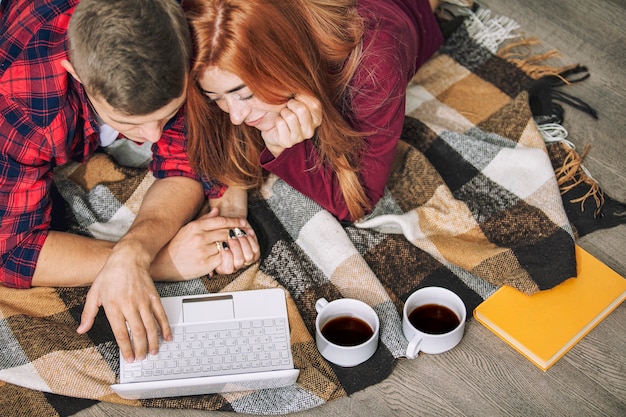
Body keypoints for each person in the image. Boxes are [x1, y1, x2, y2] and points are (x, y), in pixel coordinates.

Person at [0, 0, 260, 363]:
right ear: (76, 75)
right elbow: (12, 251)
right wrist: (157, 262)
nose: (154, 136)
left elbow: (185, 161)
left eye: (168, 114)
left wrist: (135, 248)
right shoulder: (21, 105)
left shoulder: (183, 29)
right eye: (131, 122)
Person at [182, 0, 444, 223]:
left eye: (246, 94)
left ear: (284, 60)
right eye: (214, 97)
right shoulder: (211, 35)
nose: (235, 116)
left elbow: (356, 201)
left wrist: (285, 149)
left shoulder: (374, 59)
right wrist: (233, 183)